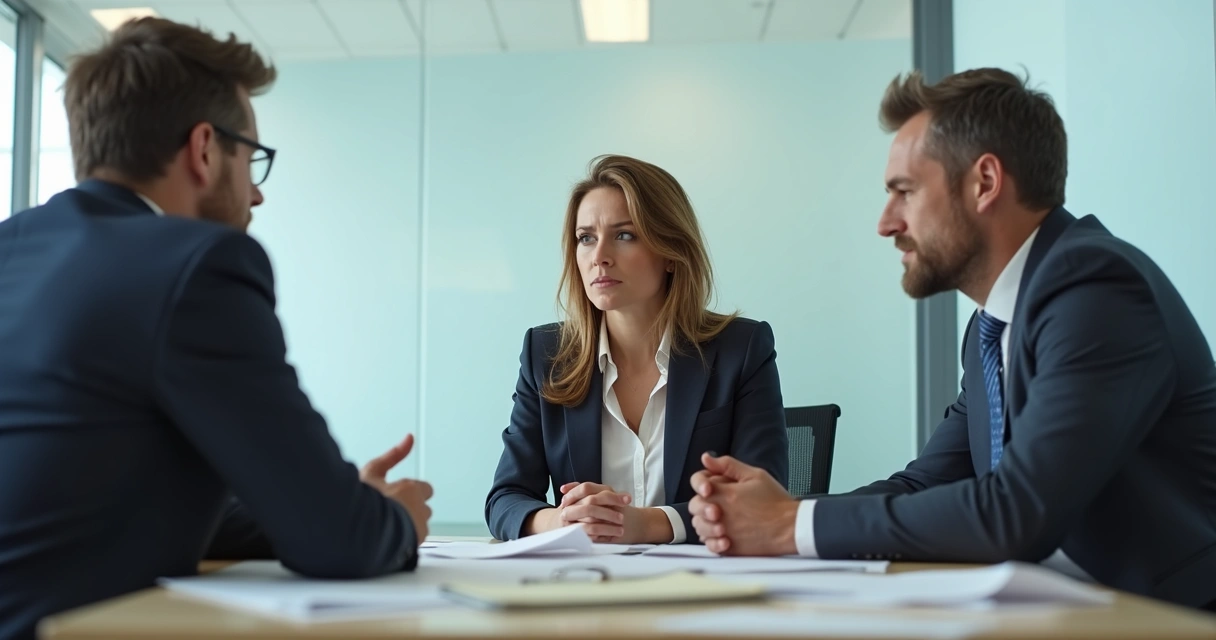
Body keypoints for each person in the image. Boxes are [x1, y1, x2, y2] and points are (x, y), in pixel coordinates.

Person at [688, 68, 1216, 611]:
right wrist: (776, 511)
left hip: (1165, 618)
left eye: (905, 192)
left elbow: (1016, 513)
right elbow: (926, 484)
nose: (885, 223)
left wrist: (789, 524)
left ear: (984, 182)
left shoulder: (1096, 288)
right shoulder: (991, 328)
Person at [0, 18, 432, 640]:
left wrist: (330, 503)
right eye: (250, 158)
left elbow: (108, 497)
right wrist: (388, 518)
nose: (255, 195)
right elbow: (341, 543)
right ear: (205, 149)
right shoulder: (194, 265)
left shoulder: (17, 246)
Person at [486, 154, 789, 544]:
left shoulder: (741, 350)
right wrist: (563, 521)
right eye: (586, 238)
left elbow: (762, 501)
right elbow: (505, 499)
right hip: (584, 588)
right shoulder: (546, 355)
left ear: (671, 252)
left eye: (624, 235)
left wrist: (646, 524)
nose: (599, 257)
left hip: (703, 587)